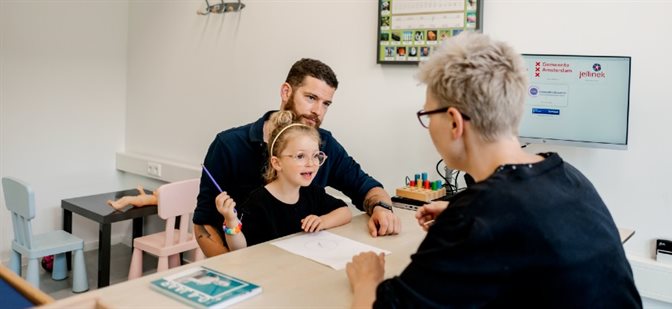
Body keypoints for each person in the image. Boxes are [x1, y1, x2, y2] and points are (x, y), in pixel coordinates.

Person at [345, 32, 642, 307]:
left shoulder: (478, 217)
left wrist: (367, 278)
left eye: (426, 114)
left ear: (454, 122)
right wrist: (461, 212)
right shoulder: (570, 177)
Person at [194, 58, 401, 257]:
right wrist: (235, 270)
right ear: (286, 92)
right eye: (311, 98)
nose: (317, 111)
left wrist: (382, 208)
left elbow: (366, 186)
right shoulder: (229, 145)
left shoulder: (325, 143)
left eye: (326, 103)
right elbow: (203, 223)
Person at [215, 111, 352, 250]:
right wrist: (231, 221)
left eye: (316, 155)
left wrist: (323, 221)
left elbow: (345, 212)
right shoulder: (258, 202)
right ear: (277, 163)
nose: (311, 163)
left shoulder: (312, 192)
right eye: (300, 156)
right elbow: (239, 249)